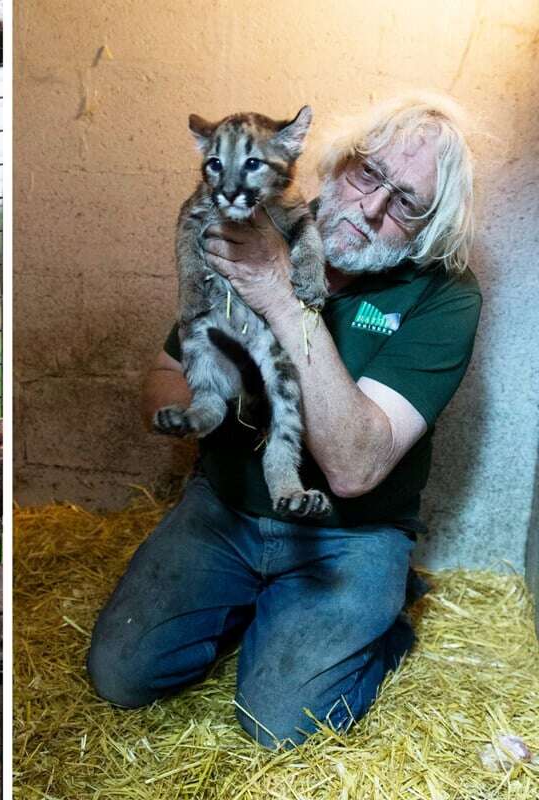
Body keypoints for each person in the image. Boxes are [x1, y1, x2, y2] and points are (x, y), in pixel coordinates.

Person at [86, 94, 481, 749]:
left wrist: (274, 295)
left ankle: (380, 620)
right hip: (229, 505)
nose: (375, 208)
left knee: (279, 721)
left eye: (408, 202)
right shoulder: (256, 224)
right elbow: (162, 374)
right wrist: (199, 399)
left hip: (350, 530)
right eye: (367, 174)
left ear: (430, 223)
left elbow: (356, 469)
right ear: (334, 164)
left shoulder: (445, 295)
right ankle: (255, 605)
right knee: (120, 675)